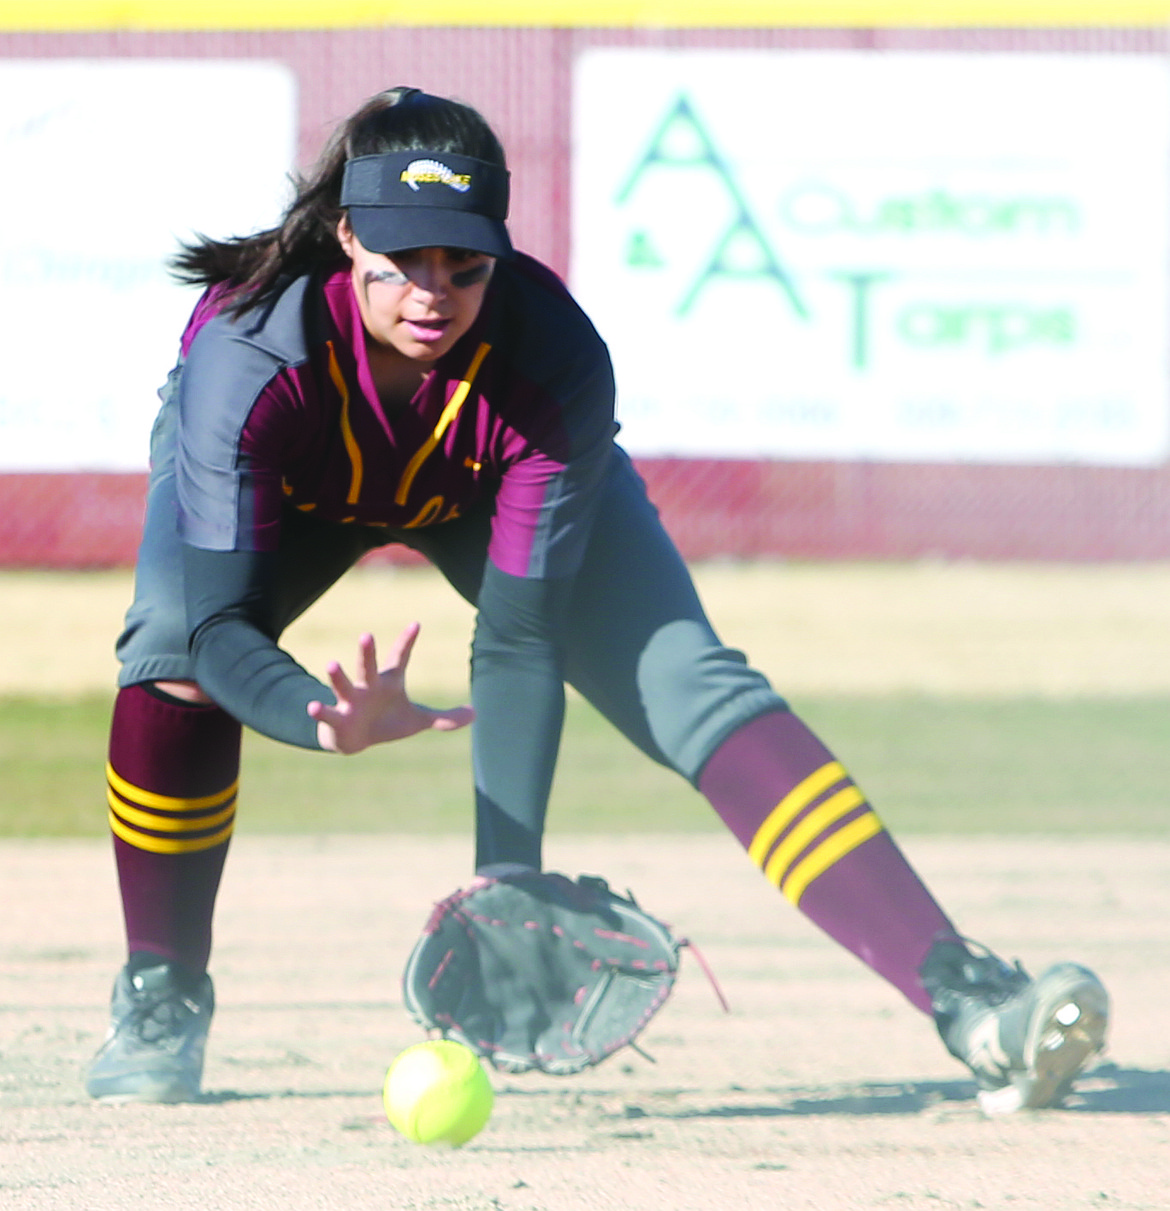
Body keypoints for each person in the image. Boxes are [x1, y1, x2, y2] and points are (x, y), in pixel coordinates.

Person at [87, 86, 1108, 1114]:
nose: (433, 292)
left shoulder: (551, 357)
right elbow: (220, 625)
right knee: (173, 652)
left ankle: (973, 1000)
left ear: (501, 250)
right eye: (402, 260)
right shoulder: (254, 354)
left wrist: (505, 885)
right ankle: (161, 989)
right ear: (348, 236)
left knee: (690, 681)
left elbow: (520, 638)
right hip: (298, 482)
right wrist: (321, 718)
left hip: (479, 482)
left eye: (466, 264)